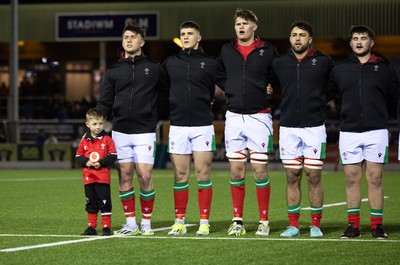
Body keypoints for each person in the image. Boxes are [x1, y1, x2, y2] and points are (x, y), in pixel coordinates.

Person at [96, 23, 168, 236]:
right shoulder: (114, 70)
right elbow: (104, 101)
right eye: (125, 37)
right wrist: (95, 121)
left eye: (133, 37)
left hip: (145, 130)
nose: (128, 40)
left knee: (145, 176)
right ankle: (131, 223)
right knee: (124, 176)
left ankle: (146, 223)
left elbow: (167, 93)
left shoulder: (155, 67)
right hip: (120, 131)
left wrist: (156, 113)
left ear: (142, 42)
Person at [329, 25, 399, 239]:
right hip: (349, 130)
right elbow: (326, 94)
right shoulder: (340, 69)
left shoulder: (383, 68)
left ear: (372, 42)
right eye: (355, 38)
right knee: (351, 178)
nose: (359, 42)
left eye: (364, 38)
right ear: (350, 43)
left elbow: (395, 97)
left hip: (376, 130)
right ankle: (353, 226)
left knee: (375, 177)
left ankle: (377, 226)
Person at [218, 8, 278, 236]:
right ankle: (238, 221)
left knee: (260, 171)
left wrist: (271, 87)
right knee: (236, 171)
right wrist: (229, 87)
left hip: (260, 116)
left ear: (255, 26)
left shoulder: (268, 50)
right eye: (237, 24)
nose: (241, 27)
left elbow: (277, 75)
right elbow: (218, 74)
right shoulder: (227, 50)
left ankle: (264, 221)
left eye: (245, 23)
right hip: (233, 117)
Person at [272, 21, 334, 238]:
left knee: (313, 175)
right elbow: (269, 84)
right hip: (288, 127)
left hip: (314, 126)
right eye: (294, 35)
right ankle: (293, 226)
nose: (297, 38)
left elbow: (333, 87)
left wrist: (319, 100)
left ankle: (315, 224)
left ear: (310, 39)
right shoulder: (279, 63)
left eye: (302, 35)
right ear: (290, 39)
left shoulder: (324, 61)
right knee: (292, 175)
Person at [163, 21, 224, 236]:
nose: (186, 36)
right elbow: (160, 89)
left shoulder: (211, 63)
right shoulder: (170, 63)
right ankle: (179, 221)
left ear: (199, 37)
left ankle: (204, 222)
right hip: (178, 125)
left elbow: (227, 89)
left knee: (203, 173)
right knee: (180, 174)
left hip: (203, 126)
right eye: (183, 33)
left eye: (190, 33)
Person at [75, 108, 117, 236]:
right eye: (94, 124)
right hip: (88, 178)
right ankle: (91, 228)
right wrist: (86, 162)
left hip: (102, 177)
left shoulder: (107, 139)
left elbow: (113, 155)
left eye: (100, 123)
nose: (98, 127)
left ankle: (106, 228)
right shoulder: (84, 141)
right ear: (88, 124)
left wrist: (102, 163)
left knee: (105, 202)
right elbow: (78, 157)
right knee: (91, 203)